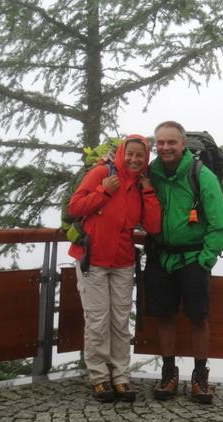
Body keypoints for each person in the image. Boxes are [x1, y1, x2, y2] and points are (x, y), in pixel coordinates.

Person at [69, 134, 161, 402]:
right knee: (98, 321)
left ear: (146, 158)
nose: (134, 159)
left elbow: (153, 226)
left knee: (120, 322)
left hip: (122, 262)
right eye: (130, 154)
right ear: (122, 153)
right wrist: (103, 191)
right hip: (92, 260)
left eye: (140, 155)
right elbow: (75, 207)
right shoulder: (101, 173)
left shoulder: (142, 184)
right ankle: (99, 378)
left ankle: (120, 377)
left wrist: (149, 191)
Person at [144, 120, 223, 404]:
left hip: (194, 257)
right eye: (161, 143)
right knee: (164, 315)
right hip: (160, 254)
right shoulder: (150, 173)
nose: (165, 147)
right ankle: (169, 373)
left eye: (171, 142)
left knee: (198, 317)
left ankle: (200, 376)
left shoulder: (200, 175)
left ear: (183, 145)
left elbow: (220, 222)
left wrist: (205, 259)